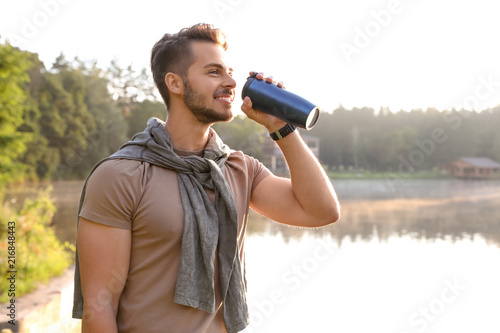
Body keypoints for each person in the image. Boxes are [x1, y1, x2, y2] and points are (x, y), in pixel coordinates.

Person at [72, 23, 340, 333]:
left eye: (229, 72)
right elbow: (99, 305)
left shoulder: (239, 170)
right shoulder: (121, 175)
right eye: (214, 72)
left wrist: (281, 127)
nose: (230, 82)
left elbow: (321, 211)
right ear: (175, 83)